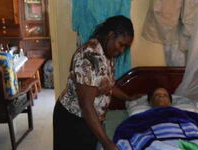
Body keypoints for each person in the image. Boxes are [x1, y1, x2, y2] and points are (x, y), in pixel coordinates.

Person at [53, 15, 138, 150]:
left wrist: (127, 98)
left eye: (125, 47)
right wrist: (106, 142)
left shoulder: (107, 53)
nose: (122, 50)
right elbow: (86, 106)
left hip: (89, 119)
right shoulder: (88, 57)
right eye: (121, 44)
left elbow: (107, 85)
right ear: (111, 35)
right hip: (74, 120)